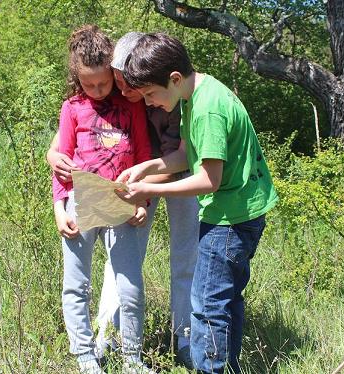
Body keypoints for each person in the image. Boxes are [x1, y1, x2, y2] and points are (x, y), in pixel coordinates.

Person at [116, 33, 278, 374]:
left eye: (149, 94)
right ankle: (228, 368)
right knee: (226, 301)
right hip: (239, 211)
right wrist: (150, 166)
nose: (147, 103)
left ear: (173, 79)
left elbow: (208, 179)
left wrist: (150, 188)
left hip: (228, 220)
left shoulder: (206, 109)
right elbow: (189, 154)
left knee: (206, 306)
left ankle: (211, 368)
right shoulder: (196, 92)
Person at [47, 32, 199, 369]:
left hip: (158, 180)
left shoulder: (164, 95)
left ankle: (173, 342)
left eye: (114, 84)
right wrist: (57, 194)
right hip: (94, 195)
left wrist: (141, 199)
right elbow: (64, 152)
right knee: (96, 278)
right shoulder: (83, 101)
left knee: (166, 265)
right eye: (99, 84)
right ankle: (97, 345)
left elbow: (166, 154)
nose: (109, 90)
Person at [52, 25, 154, 374]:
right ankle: (84, 355)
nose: (96, 90)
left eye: (102, 82)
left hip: (122, 203)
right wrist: (57, 208)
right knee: (76, 284)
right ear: (76, 77)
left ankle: (132, 359)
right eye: (88, 83)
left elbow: (143, 153)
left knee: (130, 287)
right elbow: (62, 162)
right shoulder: (72, 108)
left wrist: (142, 202)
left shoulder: (131, 106)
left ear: (113, 73)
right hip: (79, 203)